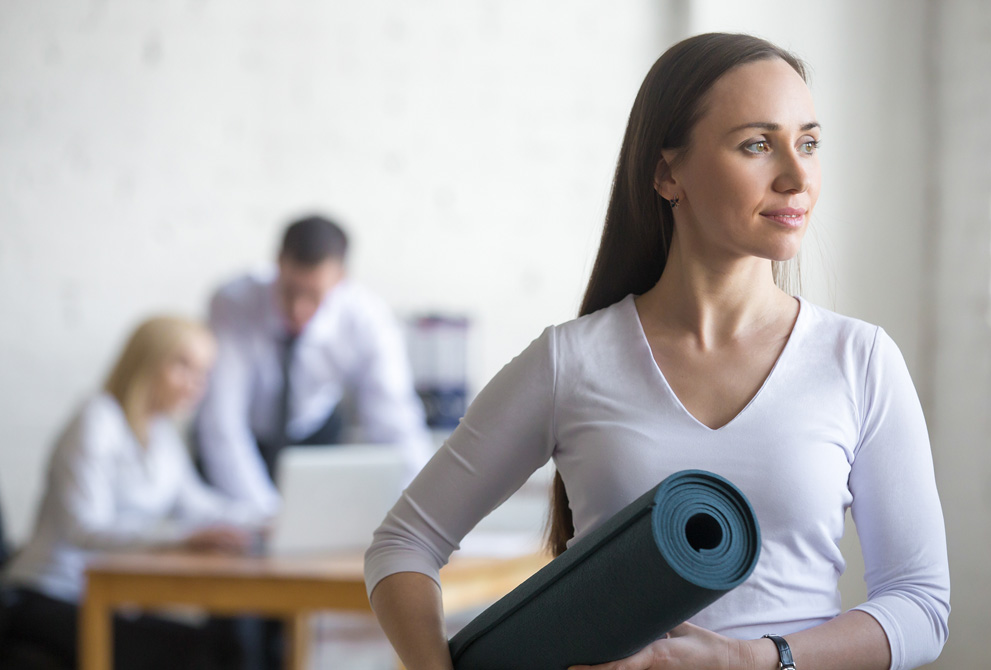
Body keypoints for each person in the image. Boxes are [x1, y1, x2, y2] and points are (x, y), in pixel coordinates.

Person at [363, 33, 950, 670]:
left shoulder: (858, 359)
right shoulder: (573, 362)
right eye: (757, 144)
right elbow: (403, 543)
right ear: (668, 172)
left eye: (808, 143)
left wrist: (754, 660)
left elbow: (920, 605)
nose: (796, 175)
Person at [1, 316, 264, 670]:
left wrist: (267, 518)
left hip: (106, 599)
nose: (195, 385)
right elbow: (86, 529)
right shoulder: (97, 419)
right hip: (49, 594)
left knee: (225, 643)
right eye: (183, 366)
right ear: (147, 361)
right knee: (193, 654)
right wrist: (184, 537)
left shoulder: (161, 434)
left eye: (203, 373)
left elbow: (198, 505)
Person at [194, 214, 430, 517]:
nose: (298, 309)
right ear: (278, 263)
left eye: (314, 296)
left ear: (341, 278)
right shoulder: (233, 302)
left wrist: (422, 511)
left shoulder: (368, 319)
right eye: (290, 291)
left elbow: (394, 420)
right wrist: (265, 516)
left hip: (314, 438)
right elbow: (221, 422)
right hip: (244, 439)